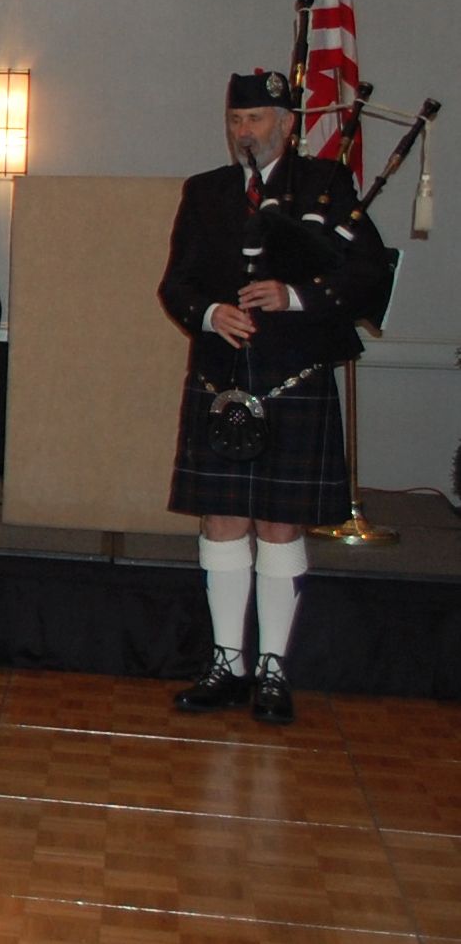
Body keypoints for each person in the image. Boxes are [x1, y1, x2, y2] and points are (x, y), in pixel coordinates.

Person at [159, 71, 385, 725]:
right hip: (221, 377)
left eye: (258, 119)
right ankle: (227, 661)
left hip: (293, 377)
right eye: (236, 119)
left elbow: (366, 274)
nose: (245, 131)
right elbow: (176, 283)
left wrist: (295, 296)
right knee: (223, 521)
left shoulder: (326, 185)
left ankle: (273, 668)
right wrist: (209, 314)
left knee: (280, 525)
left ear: (288, 124)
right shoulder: (205, 192)